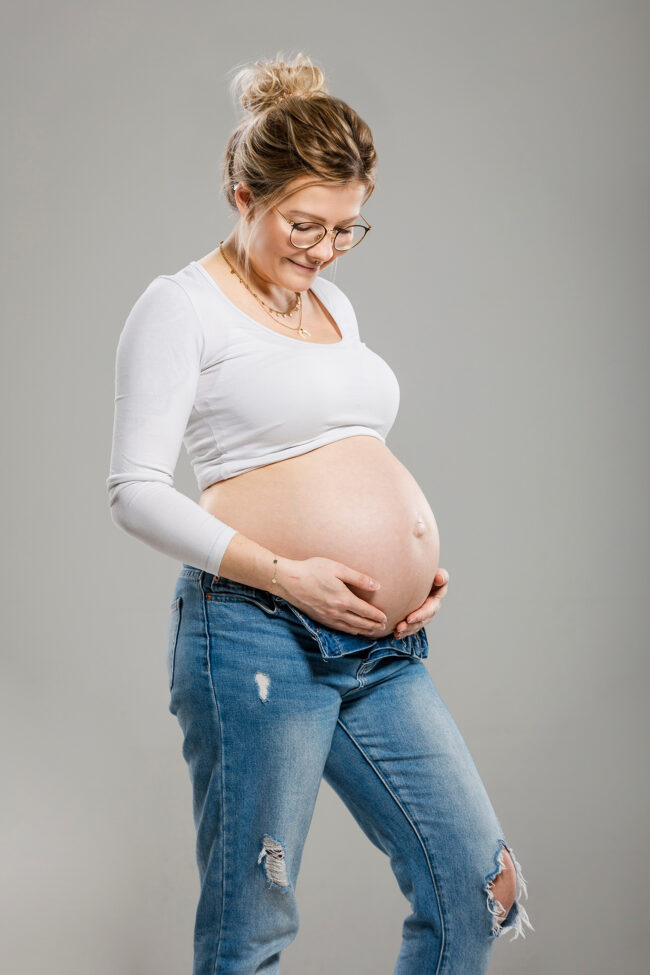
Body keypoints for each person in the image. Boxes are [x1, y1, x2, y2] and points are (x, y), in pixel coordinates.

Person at [106, 51, 533, 975]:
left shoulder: (331, 302)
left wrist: (416, 566)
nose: (324, 249)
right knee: (251, 927)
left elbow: (348, 449)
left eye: (347, 228)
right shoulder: (179, 308)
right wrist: (287, 569)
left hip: (380, 646)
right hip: (257, 635)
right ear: (241, 191)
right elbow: (135, 489)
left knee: (475, 887)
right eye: (304, 223)